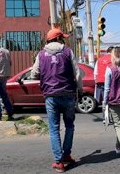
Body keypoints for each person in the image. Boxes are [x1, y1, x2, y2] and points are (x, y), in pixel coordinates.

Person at [31, 28, 83, 173]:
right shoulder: (68, 51)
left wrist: (44, 76)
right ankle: (66, 155)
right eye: (63, 38)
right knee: (69, 126)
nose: (64, 40)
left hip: (50, 95)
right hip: (68, 94)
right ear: (59, 38)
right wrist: (80, 89)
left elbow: (34, 73)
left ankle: (59, 161)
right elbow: (77, 73)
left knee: (54, 128)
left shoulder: (41, 54)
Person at [95, 46, 120, 132]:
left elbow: (95, 72)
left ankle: (106, 118)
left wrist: (96, 82)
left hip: (102, 82)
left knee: (108, 102)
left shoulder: (100, 60)